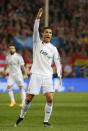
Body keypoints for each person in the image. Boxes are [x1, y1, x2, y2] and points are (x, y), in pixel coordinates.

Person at [15, 8, 62, 127]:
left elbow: (57, 62)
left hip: (47, 75)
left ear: (51, 35)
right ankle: (21, 117)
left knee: (50, 98)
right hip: (36, 74)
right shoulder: (37, 43)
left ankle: (45, 122)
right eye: (46, 32)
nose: (48, 34)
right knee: (29, 98)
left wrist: (60, 75)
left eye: (50, 33)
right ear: (42, 34)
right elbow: (35, 29)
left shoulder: (53, 49)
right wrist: (37, 18)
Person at [3, 43, 27, 107]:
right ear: (9, 49)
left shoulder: (19, 57)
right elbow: (6, 65)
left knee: (21, 88)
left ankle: (23, 102)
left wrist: (25, 73)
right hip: (11, 75)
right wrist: (4, 71)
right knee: (8, 87)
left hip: (18, 75)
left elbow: (22, 66)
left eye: (13, 48)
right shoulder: (7, 57)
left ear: (15, 49)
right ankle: (13, 101)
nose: (11, 49)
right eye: (10, 48)